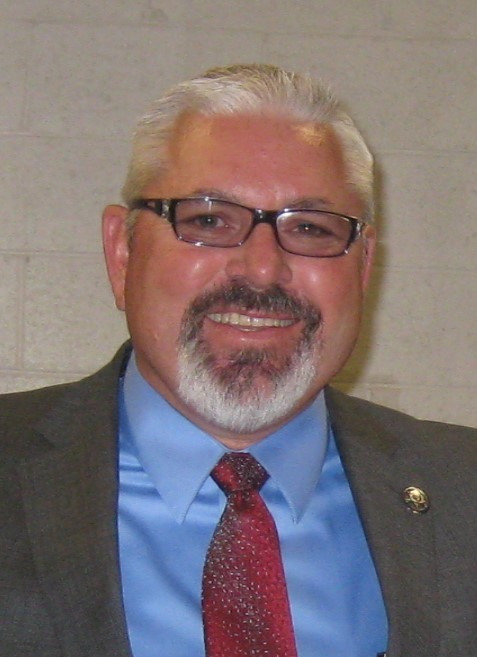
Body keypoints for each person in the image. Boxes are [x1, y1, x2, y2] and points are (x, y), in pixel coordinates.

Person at [1, 63, 476, 657]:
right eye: (207, 220)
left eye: (310, 228)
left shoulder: (465, 492)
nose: (261, 269)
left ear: (363, 265)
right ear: (122, 252)